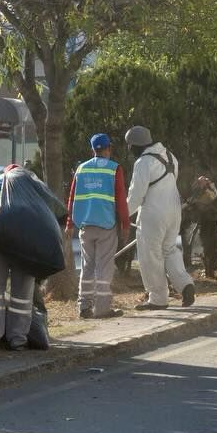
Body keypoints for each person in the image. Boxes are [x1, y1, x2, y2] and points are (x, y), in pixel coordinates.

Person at [0, 165, 65, 350]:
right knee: (22, 294)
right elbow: (56, 208)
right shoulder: (33, 183)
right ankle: (18, 339)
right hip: (27, 242)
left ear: (4, 172)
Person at [125, 125, 195, 311]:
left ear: (135, 145)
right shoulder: (171, 157)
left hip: (153, 214)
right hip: (174, 210)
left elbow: (136, 195)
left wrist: (121, 214)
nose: (129, 150)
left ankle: (158, 298)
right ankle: (185, 285)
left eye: (129, 146)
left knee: (150, 255)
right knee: (169, 250)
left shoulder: (143, 163)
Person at [67, 134, 131, 319]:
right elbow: (121, 200)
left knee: (87, 267)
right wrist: (125, 225)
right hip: (106, 225)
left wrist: (70, 223)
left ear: (93, 149)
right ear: (108, 149)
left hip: (85, 225)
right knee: (104, 267)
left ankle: (84, 307)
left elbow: (72, 198)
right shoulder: (114, 169)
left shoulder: (81, 169)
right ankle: (102, 308)